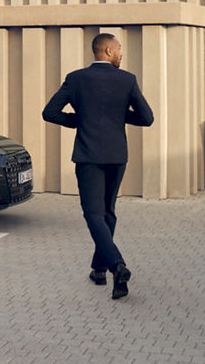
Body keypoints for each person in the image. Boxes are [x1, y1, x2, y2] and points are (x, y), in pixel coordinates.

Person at [42, 33, 154, 300]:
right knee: (108, 213)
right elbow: (146, 118)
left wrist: (81, 120)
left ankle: (116, 265)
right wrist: (116, 116)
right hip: (117, 156)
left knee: (94, 215)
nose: (121, 54)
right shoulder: (127, 80)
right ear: (107, 49)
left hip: (89, 156)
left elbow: (50, 112)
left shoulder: (76, 78)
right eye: (119, 49)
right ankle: (99, 269)